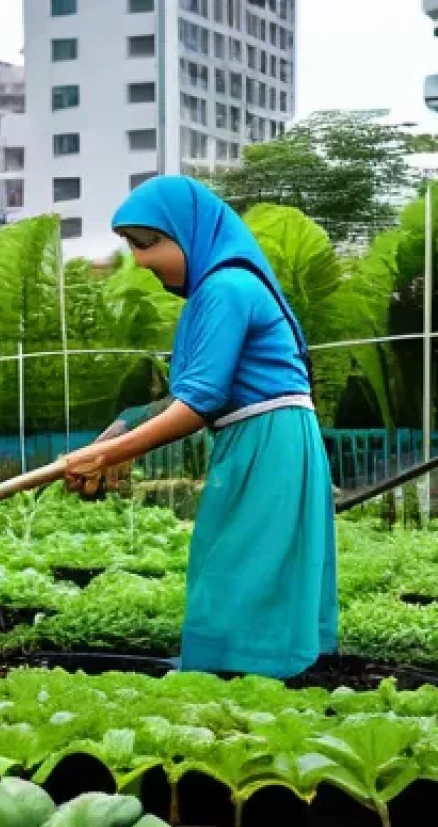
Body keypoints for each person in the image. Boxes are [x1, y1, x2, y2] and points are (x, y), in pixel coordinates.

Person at [63, 176, 338, 680]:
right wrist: (116, 436)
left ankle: (250, 687)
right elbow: (186, 394)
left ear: (190, 233)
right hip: (255, 438)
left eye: (149, 243)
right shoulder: (214, 292)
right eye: (131, 246)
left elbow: (199, 401)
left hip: (269, 441)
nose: (141, 260)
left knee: (245, 569)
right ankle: (240, 679)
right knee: (232, 564)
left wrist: (108, 455)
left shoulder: (227, 288)